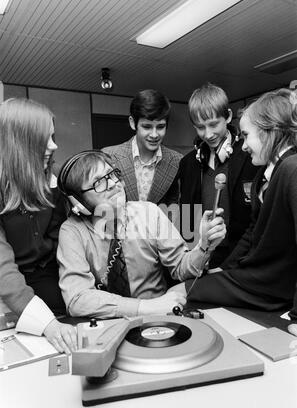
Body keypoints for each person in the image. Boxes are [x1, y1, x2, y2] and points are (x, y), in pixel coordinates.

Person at [56, 150, 226, 318]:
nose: (113, 184)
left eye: (112, 175)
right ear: (78, 202)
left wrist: (204, 246)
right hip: (110, 322)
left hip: (159, 317)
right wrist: (145, 307)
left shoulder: (150, 212)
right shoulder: (71, 232)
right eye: (99, 182)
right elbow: (77, 300)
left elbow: (181, 269)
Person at [173, 88, 297, 317]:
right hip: (242, 269)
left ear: (269, 131)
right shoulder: (266, 173)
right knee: (185, 292)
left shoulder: (287, 168)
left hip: (266, 280)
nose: (245, 145)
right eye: (200, 127)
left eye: (247, 135)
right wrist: (209, 261)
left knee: (184, 294)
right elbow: (254, 229)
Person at [0, 98, 77, 353]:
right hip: (12, 295)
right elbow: (5, 273)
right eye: (45, 138)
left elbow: (62, 247)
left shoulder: (52, 184)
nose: (54, 145)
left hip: (51, 284)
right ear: (20, 143)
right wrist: (49, 326)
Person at [178, 83, 258, 267]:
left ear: (228, 116)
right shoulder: (188, 163)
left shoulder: (249, 156)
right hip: (200, 255)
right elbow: (185, 216)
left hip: (240, 257)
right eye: (200, 127)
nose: (208, 134)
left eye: (213, 124)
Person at [102, 89, 182, 207]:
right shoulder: (108, 156)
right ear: (132, 123)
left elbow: (173, 204)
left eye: (160, 127)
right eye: (147, 127)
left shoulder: (176, 160)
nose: (154, 134)